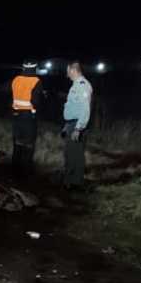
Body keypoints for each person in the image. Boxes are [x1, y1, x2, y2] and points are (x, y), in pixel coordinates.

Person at [61, 61, 93, 189]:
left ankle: (75, 184)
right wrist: (66, 125)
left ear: (73, 70)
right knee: (70, 154)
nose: (67, 74)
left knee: (75, 156)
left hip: (76, 125)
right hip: (71, 124)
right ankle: (71, 181)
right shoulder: (76, 85)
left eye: (68, 71)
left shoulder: (82, 85)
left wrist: (78, 128)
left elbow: (85, 109)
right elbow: (73, 107)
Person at [10, 61, 43, 177]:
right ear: (35, 68)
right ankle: (26, 175)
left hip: (16, 116)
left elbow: (13, 96)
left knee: (17, 145)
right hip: (29, 117)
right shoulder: (36, 81)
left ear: (23, 68)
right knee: (28, 146)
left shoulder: (16, 80)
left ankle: (14, 172)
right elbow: (36, 102)